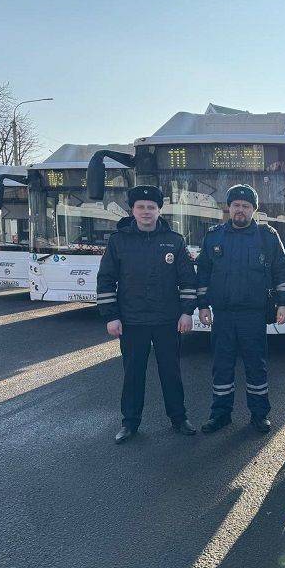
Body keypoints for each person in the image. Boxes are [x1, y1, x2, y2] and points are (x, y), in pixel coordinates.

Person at [97, 185, 198, 444]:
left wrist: (187, 313)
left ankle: (179, 418)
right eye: (140, 207)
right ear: (132, 210)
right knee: (133, 374)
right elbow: (106, 280)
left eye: (151, 207)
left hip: (167, 320)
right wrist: (111, 316)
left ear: (159, 210)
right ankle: (129, 423)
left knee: (171, 373)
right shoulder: (118, 241)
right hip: (132, 321)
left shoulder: (175, 241)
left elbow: (187, 281)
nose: (146, 212)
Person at [196, 185, 285, 434]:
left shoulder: (267, 237)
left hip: (253, 314)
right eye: (236, 205)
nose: (240, 210)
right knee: (222, 366)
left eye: (246, 206)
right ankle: (220, 415)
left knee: (256, 366)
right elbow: (203, 273)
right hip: (223, 314)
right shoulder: (213, 236)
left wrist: (283, 303)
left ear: (254, 210)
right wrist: (203, 305)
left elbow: (282, 270)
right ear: (229, 208)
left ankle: (259, 415)